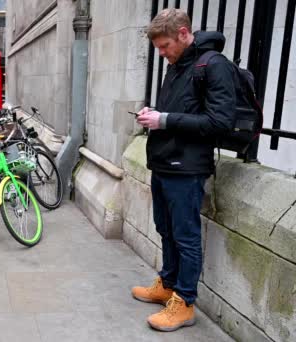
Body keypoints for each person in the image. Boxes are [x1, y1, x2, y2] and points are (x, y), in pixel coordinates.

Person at [132, 8, 235, 332]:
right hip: (165, 162)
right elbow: (177, 112)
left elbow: (220, 122)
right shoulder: (176, 67)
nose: (162, 54)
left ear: (183, 33)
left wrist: (164, 120)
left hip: (187, 168)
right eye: (158, 49)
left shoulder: (214, 66)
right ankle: (167, 283)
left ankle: (185, 302)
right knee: (166, 229)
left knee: (186, 237)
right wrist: (154, 114)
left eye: (165, 46)